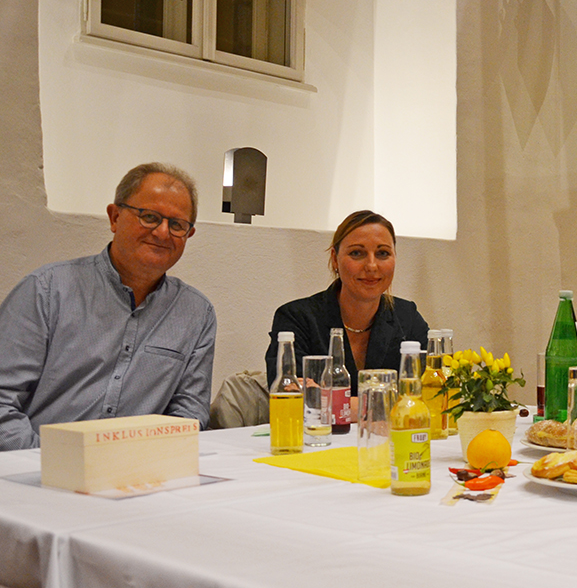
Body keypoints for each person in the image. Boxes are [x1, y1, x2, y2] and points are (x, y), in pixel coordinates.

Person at [0, 163, 217, 451]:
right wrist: (52, 463)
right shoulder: (46, 291)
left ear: (188, 234)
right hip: (38, 468)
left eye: (177, 225)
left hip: (139, 470)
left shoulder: (196, 314)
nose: (163, 233)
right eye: (149, 217)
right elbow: (2, 402)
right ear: (115, 217)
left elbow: (189, 414)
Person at [265, 211, 429, 394]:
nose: (371, 266)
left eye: (383, 253)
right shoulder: (296, 318)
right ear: (335, 259)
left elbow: (434, 391)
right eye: (357, 253)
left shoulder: (407, 317)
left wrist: (331, 398)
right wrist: (387, 401)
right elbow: (289, 392)